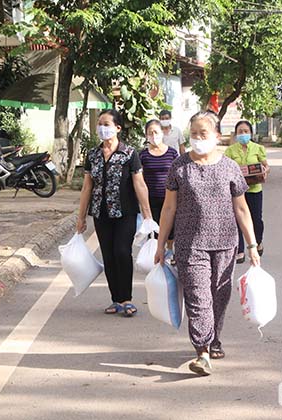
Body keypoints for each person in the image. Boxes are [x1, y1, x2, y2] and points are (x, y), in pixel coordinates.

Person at [154, 111, 260, 376]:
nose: (198, 138)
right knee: (198, 297)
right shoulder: (179, 166)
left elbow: (242, 209)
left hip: (225, 243)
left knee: (219, 296)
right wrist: (161, 243)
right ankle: (201, 351)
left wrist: (252, 246)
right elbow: (169, 208)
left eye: (203, 133)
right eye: (193, 134)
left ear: (217, 136)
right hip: (190, 244)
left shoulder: (229, 168)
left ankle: (214, 339)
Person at [77, 109, 153, 317]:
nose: (102, 128)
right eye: (100, 124)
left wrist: (147, 215)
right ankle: (116, 299)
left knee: (121, 252)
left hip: (125, 213)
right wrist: (81, 217)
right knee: (108, 256)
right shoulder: (93, 155)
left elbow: (140, 185)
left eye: (107, 124)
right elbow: (87, 187)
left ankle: (126, 298)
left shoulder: (129, 154)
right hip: (101, 213)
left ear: (118, 128)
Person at [224, 120, 269, 264]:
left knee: (256, 220)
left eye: (245, 131)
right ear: (236, 134)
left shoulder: (258, 148)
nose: (243, 134)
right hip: (237, 192)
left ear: (250, 133)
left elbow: (266, 166)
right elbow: (225, 169)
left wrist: (265, 171)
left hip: (254, 190)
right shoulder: (230, 151)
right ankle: (240, 251)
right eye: (240, 132)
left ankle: (258, 241)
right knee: (237, 220)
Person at [139, 119, 179, 251]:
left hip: (170, 198)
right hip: (151, 199)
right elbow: (139, 179)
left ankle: (170, 251)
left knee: (171, 229)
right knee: (155, 230)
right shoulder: (143, 155)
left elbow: (178, 175)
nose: (153, 135)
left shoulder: (172, 153)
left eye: (156, 132)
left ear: (162, 133)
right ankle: (157, 255)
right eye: (150, 133)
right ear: (146, 135)